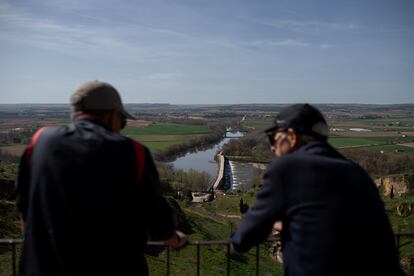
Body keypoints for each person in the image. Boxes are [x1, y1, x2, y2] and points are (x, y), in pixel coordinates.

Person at [15, 80, 187, 275]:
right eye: (122, 121)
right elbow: (156, 217)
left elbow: (24, 209)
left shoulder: (39, 141)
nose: (120, 128)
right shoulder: (133, 152)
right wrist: (174, 240)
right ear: (111, 116)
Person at [230, 104, 404, 276]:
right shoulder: (356, 172)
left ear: (291, 136)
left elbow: (250, 232)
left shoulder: (286, 167)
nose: (272, 147)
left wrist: (234, 241)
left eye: (273, 138)